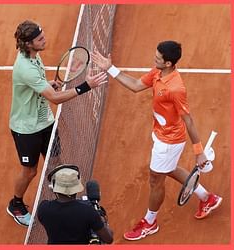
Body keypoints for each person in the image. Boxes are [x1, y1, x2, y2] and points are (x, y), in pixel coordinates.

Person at [91, 40, 223, 241]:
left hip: (169, 140)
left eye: (158, 57)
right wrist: (110, 68)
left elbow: (188, 119)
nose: (155, 58)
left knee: (155, 179)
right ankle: (208, 198)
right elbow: (135, 86)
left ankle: (150, 222)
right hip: (161, 134)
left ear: (168, 63)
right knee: (168, 168)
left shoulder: (176, 88)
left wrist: (199, 151)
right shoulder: (157, 73)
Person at [7, 20, 108, 227]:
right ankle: (15, 204)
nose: (45, 40)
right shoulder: (25, 67)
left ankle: (62, 200)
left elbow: (43, 89)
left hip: (45, 121)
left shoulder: (34, 56)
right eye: (40, 39)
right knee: (30, 170)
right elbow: (55, 99)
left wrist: (48, 85)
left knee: (55, 162)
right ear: (28, 44)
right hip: (26, 129)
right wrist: (85, 86)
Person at [37, 164, 114, 244]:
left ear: (53, 187)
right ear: (77, 186)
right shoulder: (88, 212)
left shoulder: (44, 208)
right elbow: (109, 239)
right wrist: (99, 217)